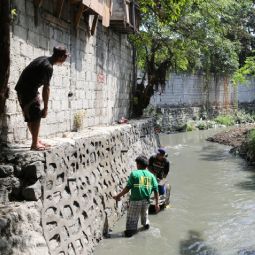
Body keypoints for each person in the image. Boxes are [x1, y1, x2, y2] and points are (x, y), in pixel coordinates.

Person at [15, 46, 68, 150]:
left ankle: (36, 140)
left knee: (31, 116)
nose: (66, 58)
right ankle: (35, 144)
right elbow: (46, 88)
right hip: (28, 90)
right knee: (36, 115)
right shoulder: (48, 67)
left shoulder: (43, 58)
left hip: (22, 88)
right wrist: (46, 107)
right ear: (61, 56)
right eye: (65, 56)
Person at [113, 155, 159, 237]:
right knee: (145, 215)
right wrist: (157, 204)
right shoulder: (151, 176)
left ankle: (130, 233)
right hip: (146, 201)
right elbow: (156, 190)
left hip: (135, 201)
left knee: (132, 220)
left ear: (138, 164)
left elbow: (127, 188)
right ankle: (146, 226)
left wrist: (118, 196)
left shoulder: (134, 174)